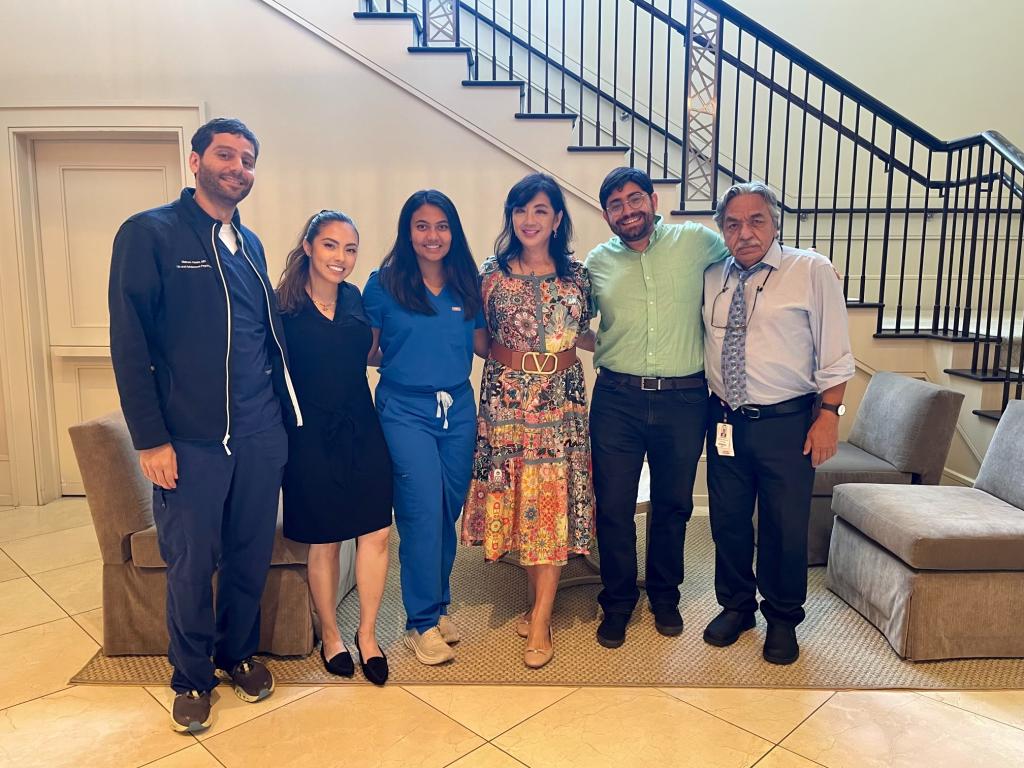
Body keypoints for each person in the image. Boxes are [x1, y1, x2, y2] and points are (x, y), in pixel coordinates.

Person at [109, 118, 301, 732]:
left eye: (248, 159)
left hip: (259, 434)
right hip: (191, 441)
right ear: (195, 161)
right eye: (226, 155)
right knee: (192, 562)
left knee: (248, 556)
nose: (237, 168)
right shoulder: (150, 234)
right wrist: (150, 438)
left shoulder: (252, 245)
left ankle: (237, 652)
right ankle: (191, 678)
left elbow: (263, 339)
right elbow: (129, 341)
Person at [702, 181, 854, 665]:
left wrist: (828, 416)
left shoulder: (811, 271)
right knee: (727, 522)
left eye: (756, 220)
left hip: (787, 423)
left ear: (774, 223)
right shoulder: (712, 277)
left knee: (784, 527)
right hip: (724, 420)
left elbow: (835, 354)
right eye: (732, 223)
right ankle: (737, 606)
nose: (744, 232)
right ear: (722, 230)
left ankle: (783, 618)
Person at [583, 167, 729, 649]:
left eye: (633, 199)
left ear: (653, 198)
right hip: (616, 399)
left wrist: (810, 265)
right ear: (606, 215)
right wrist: (605, 343)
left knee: (673, 504)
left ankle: (665, 597)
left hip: (685, 399)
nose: (627, 210)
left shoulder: (696, 242)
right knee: (614, 506)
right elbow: (568, 320)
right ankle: (619, 602)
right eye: (615, 205)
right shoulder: (597, 262)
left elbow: (751, 254)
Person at [462, 173, 595, 669]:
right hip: (506, 404)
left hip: (561, 405)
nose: (530, 220)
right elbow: (477, 337)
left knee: (553, 498)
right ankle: (539, 600)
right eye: (521, 210)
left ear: (557, 219)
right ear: (510, 217)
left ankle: (541, 616)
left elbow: (583, 334)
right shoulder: (490, 275)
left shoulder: (579, 277)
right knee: (522, 499)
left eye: (541, 210)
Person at [363, 190, 488, 666]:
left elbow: (482, 346)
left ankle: (438, 605)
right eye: (421, 225)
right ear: (407, 230)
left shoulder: (465, 284)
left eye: (441, 225)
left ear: (453, 232)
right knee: (419, 513)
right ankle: (420, 623)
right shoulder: (383, 284)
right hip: (404, 410)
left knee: (446, 511)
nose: (432, 235)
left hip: (456, 409)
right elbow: (370, 350)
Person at [276, 210, 393, 685]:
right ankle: (331, 634)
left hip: (362, 427)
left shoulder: (355, 299)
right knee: (324, 540)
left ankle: (367, 635)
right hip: (307, 435)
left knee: (377, 533)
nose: (340, 258)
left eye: (349, 249)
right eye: (330, 245)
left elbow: (371, 354)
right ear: (308, 247)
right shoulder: (282, 307)